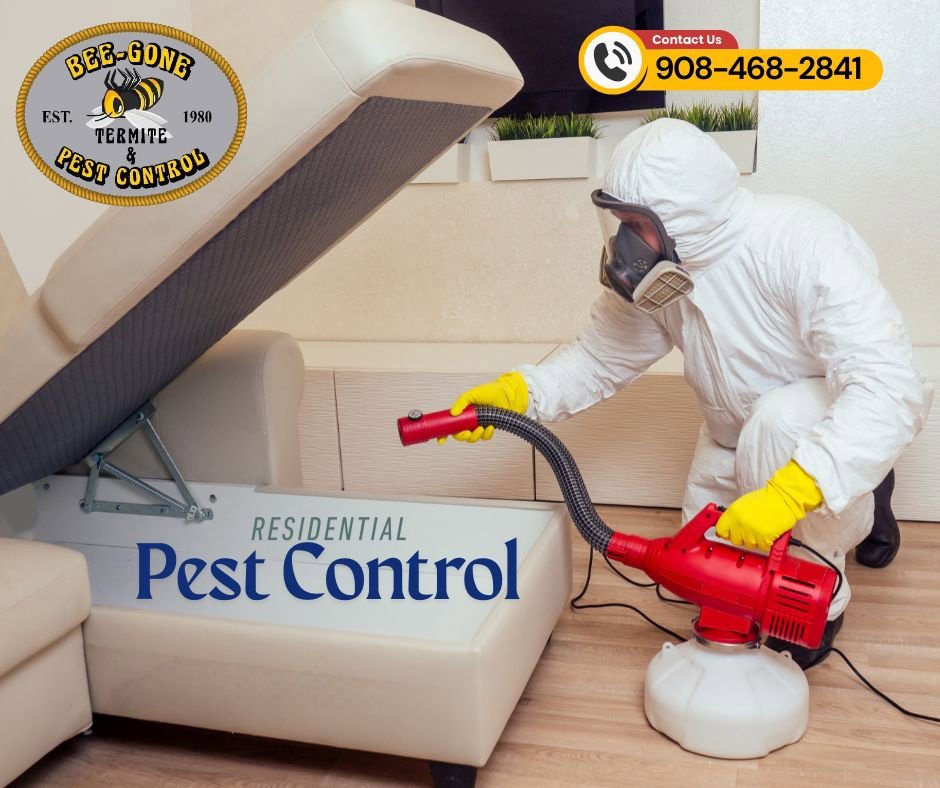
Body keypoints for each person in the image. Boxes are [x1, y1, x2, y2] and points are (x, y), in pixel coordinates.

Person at [441, 118, 933, 669]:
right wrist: (519, 393)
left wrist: (794, 491)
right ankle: (856, 484)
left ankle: (832, 570)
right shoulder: (666, 269)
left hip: (806, 422)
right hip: (731, 430)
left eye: (636, 224)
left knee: (781, 427)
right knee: (707, 581)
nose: (625, 243)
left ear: (685, 214)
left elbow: (887, 384)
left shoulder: (802, 242)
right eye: (620, 223)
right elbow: (600, 356)